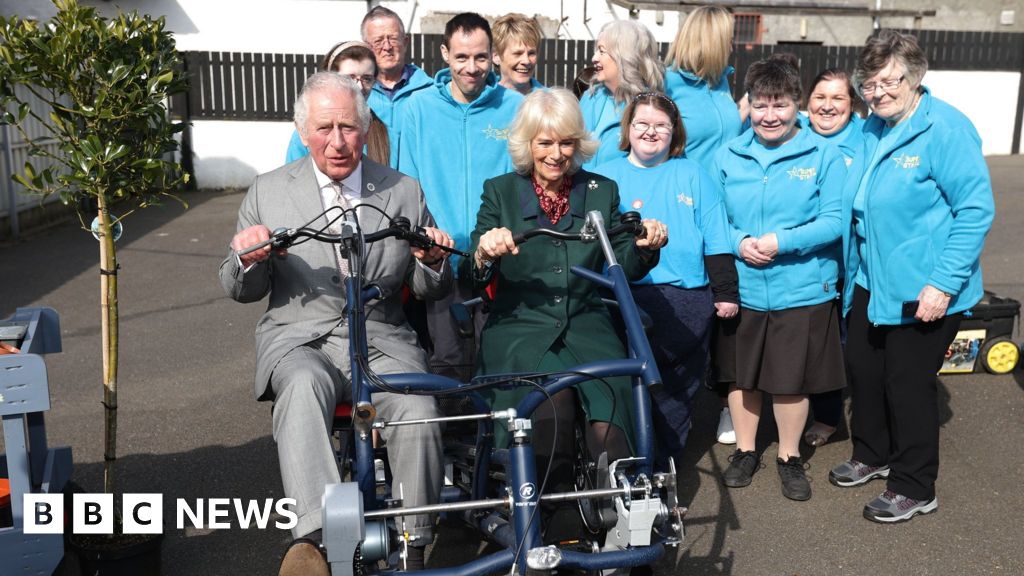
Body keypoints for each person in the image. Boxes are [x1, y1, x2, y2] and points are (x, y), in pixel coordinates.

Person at [220, 72, 453, 574]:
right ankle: (319, 540)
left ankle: (415, 540)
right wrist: (248, 258)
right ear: (303, 131)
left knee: (419, 407)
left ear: (365, 128)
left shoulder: (402, 191)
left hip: (383, 339)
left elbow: (432, 287)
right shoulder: (268, 191)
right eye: (325, 128)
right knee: (302, 386)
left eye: (349, 127)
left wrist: (433, 260)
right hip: (301, 338)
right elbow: (240, 288)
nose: (338, 141)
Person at [471, 88, 667, 540]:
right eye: (544, 143)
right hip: (521, 326)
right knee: (548, 412)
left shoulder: (601, 191)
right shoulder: (500, 192)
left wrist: (644, 247)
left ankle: (615, 524)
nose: (556, 154)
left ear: (578, 143)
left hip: (587, 324)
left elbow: (623, 263)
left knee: (610, 423)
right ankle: (540, 525)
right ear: (527, 144)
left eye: (565, 143)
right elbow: (471, 272)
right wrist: (486, 249)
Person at [830, 30, 994, 523]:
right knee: (863, 371)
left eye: (888, 81)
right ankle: (874, 453)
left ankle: (915, 485)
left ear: (914, 77)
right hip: (871, 282)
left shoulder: (945, 129)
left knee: (907, 384)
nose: (877, 92)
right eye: (869, 83)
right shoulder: (872, 127)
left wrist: (942, 284)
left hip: (923, 287)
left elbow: (974, 210)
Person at [710, 57, 847, 502]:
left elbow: (834, 221)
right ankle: (746, 451)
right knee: (742, 378)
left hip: (802, 287)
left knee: (791, 380)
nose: (770, 115)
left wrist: (778, 241)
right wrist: (739, 241)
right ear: (747, 104)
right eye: (760, 104)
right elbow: (712, 219)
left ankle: (789, 456)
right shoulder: (726, 155)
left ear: (797, 105)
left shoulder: (823, 155)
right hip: (744, 287)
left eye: (781, 105)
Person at [594, 92, 738, 460]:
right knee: (624, 390)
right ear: (628, 127)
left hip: (683, 300)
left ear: (674, 132)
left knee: (674, 391)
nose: (651, 132)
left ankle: (663, 469)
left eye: (661, 125)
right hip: (619, 298)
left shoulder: (693, 174)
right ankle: (623, 468)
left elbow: (716, 235)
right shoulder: (605, 176)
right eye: (642, 123)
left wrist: (725, 292)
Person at [398, 13, 523, 381]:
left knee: (497, 355)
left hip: (497, 259)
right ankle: (450, 435)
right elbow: (409, 185)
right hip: (442, 258)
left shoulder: (514, 107)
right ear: (445, 54)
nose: (472, 67)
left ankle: (495, 437)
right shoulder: (417, 109)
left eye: (481, 57)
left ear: (493, 56)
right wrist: (423, 246)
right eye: (462, 57)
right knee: (448, 358)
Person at [663, 5, 744, 446]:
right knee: (689, 310)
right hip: (684, 213)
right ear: (710, 40)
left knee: (727, 308)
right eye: (729, 37)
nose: (734, 45)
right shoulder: (667, 84)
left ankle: (726, 404)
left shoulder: (723, 81)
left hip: (725, 213)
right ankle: (678, 409)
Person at [801, 67, 865, 447]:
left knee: (843, 346)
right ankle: (814, 414)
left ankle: (839, 416)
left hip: (852, 264)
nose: (827, 106)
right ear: (807, 102)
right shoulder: (792, 135)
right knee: (810, 345)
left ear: (852, 104)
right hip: (804, 262)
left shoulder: (867, 141)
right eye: (820, 98)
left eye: (837, 98)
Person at [285, 41, 389, 165]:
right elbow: (295, 178)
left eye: (367, 79)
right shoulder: (307, 132)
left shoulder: (384, 128)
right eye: (349, 78)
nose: (359, 86)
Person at [580, 20, 664, 169]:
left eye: (602, 51)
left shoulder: (652, 108)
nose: (594, 58)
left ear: (624, 57)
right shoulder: (590, 97)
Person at [362, 5, 433, 168]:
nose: (387, 47)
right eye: (378, 41)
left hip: (417, 190)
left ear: (405, 42)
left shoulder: (430, 92)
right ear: (366, 47)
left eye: (393, 38)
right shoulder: (356, 95)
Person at [491, 13, 544, 95]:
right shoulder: (484, 100)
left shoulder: (549, 101)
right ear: (496, 57)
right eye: (518, 53)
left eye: (531, 53)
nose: (526, 61)